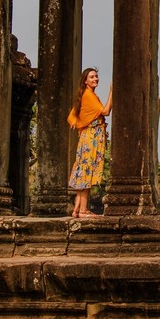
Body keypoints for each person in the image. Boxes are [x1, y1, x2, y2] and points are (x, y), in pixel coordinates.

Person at [67, 67, 112, 218]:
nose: (95, 79)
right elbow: (105, 111)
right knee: (86, 172)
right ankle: (83, 211)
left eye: (96, 76)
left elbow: (74, 115)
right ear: (85, 81)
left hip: (88, 136)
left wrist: (77, 122)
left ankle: (77, 209)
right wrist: (112, 92)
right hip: (91, 137)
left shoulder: (87, 95)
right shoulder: (89, 96)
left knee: (84, 170)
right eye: (92, 77)